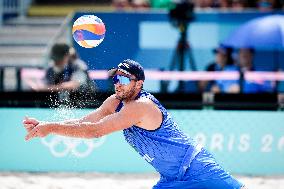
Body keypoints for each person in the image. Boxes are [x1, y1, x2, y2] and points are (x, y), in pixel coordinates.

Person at [23, 59, 246, 189]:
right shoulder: (115, 101)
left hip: (198, 169)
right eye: (115, 78)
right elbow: (86, 121)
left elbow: (94, 132)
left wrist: (50, 129)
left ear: (139, 84)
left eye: (123, 79)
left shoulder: (141, 106)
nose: (117, 84)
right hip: (170, 178)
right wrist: (46, 124)